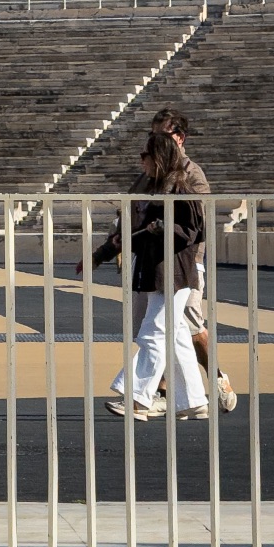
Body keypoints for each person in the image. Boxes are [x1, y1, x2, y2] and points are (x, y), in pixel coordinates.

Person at [101, 132, 208, 422]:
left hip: (174, 271)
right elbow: (144, 232)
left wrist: (162, 227)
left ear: (158, 157)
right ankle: (194, 400)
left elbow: (194, 232)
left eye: (145, 155)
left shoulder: (180, 188)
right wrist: (117, 244)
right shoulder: (158, 189)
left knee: (154, 332)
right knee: (176, 335)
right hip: (159, 270)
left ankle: (137, 398)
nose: (141, 161)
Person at [150, 108, 237, 413]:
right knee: (157, 326)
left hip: (186, 259)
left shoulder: (192, 173)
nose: (156, 142)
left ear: (180, 138)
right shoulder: (152, 171)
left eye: (162, 136)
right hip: (156, 260)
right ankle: (164, 390)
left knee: (188, 322)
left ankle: (215, 377)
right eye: (152, 136)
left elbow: (196, 221)